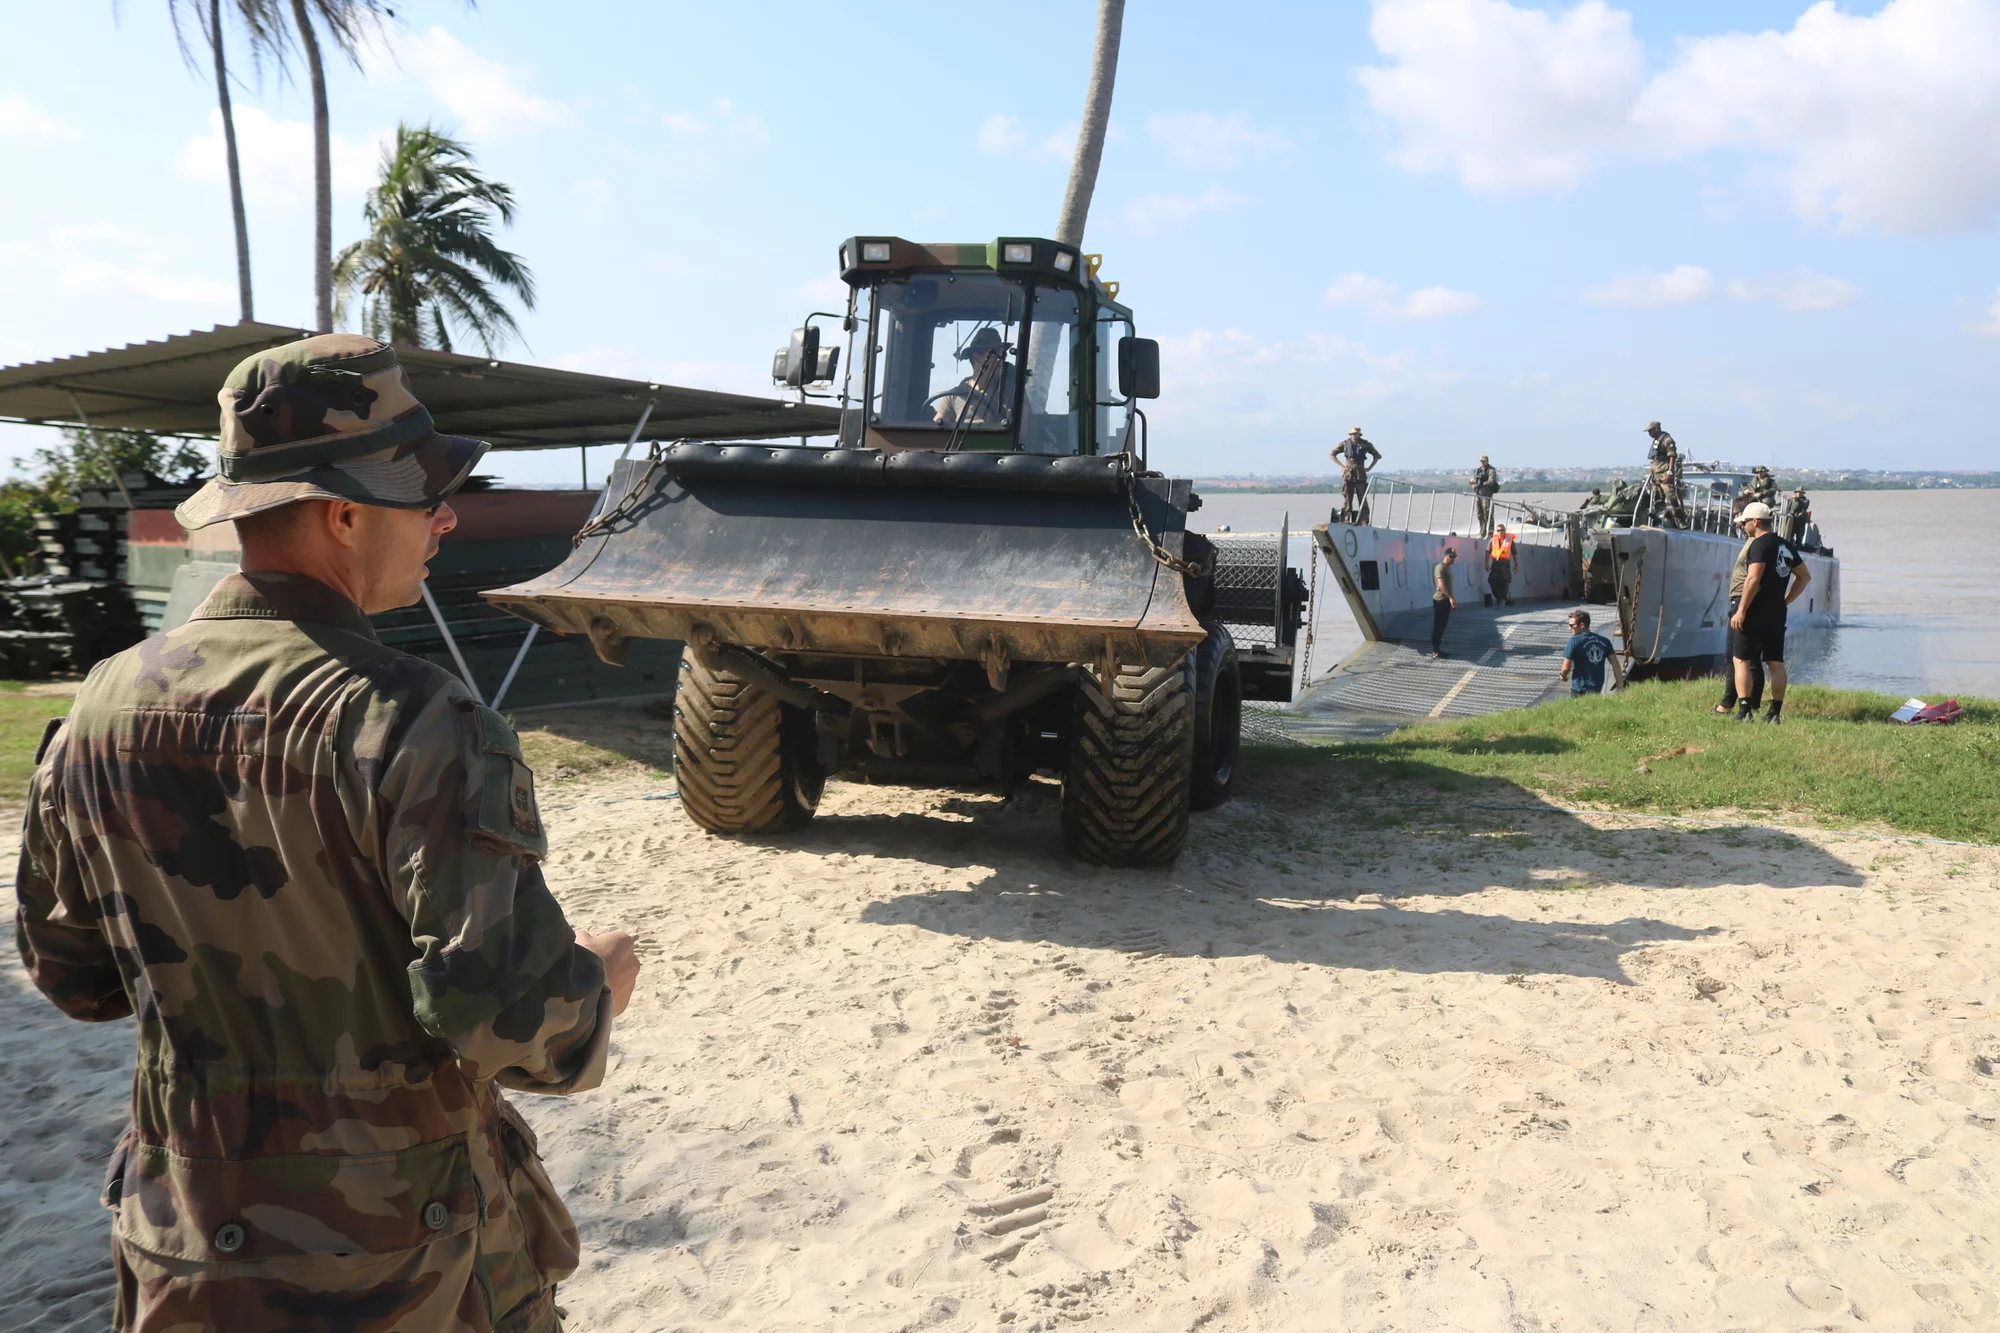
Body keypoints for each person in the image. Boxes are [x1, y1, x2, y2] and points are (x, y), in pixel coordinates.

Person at [14, 334, 643, 1331]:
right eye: (424, 493)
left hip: (188, 1250)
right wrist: (599, 978)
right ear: (344, 513)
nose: (445, 518)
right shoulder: (415, 719)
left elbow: (73, 976)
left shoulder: (101, 704)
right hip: (400, 1265)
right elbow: (510, 1023)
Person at [1728, 500, 1812, 723]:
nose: (1744, 526)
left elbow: (1754, 578)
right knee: (1775, 662)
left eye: (1745, 522)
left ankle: (1745, 710)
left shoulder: (1758, 544)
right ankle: (1775, 712)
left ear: (1755, 522)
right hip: (1777, 612)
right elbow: (1804, 575)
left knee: (1741, 660)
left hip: (1756, 610)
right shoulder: (1785, 545)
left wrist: (1742, 610)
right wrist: (1786, 600)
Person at [932, 326, 1016, 427]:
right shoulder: (954, 395)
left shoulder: (1011, 392)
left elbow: (1021, 430)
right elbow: (934, 430)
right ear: (976, 357)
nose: (1001, 359)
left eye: (1003, 354)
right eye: (996, 353)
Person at [1559, 609, 1624, 695]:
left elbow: (1566, 668)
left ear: (1582, 625)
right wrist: (1620, 687)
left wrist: (1562, 676)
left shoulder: (1573, 641)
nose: (1569, 628)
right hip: (1597, 688)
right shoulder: (1605, 641)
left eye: (1571, 625)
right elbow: (1615, 664)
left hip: (1579, 688)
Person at [1330, 427, 1381, 524]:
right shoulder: (1344, 444)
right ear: (1350, 435)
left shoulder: (1365, 444)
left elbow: (1377, 456)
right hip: (1348, 475)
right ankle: (1346, 520)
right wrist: (1341, 466)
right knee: (1347, 499)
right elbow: (1332, 454)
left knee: (1362, 499)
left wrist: (1369, 468)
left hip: (1360, 475)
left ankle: (1364, 521)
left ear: (1359, 434)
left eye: (1356, 434)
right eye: (1353, 434)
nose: (1355, 435)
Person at [1644, 421, 1687, 528]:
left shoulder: (1667, 439)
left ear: (1657, 429)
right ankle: (1660, 519)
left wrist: (1670, 472)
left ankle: (1681, 520)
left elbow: (1672, 455)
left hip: (1664, 474)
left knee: (1671, 497)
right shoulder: (1656, 441)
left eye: (1651, 431)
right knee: (1657, 498)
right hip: (1656, 475)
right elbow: (1655, 458)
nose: (1649, 433)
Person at [1430, 546, 1460, 657]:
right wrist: (1451, 597)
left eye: (1454, 557)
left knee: (1442, 625)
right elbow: (1441, 584)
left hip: (1445, 600)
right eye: (1451, 557)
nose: (1453, 559)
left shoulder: (1448, 568)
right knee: (1438, 625)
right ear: (1446, 556)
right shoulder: (1440, 567)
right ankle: (1435, 649)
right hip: (1440, 600)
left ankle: (1437, 649)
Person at [1486, 523, 1517, 606]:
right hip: (1495, 564)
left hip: (1505, 565)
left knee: (1504, 582)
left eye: (1501, 530)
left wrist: (1516, 565)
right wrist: (1486, 563)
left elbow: (1515, 553)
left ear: (1504, 531)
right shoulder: (1493, 540)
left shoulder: (1510, 541)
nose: (1500, 532)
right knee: (1492, 580)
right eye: (1498, 530)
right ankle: (1499, 597)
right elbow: (1487, 552)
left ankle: (1502, 600)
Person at [1469, 455, 1501, 536]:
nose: (1482, 463)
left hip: (1486, 496)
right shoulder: (1478, 470)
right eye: (1481, 461)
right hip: (1479, 495)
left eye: (1483, 461)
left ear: (1487, 461)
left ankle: (1490, 533)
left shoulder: (1491, 470)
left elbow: (1491, 481)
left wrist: (1484, 483)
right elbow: (1474, 480)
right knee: (1480, 514)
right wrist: (1472, 482)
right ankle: (1482, 532)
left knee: (1488, 514)